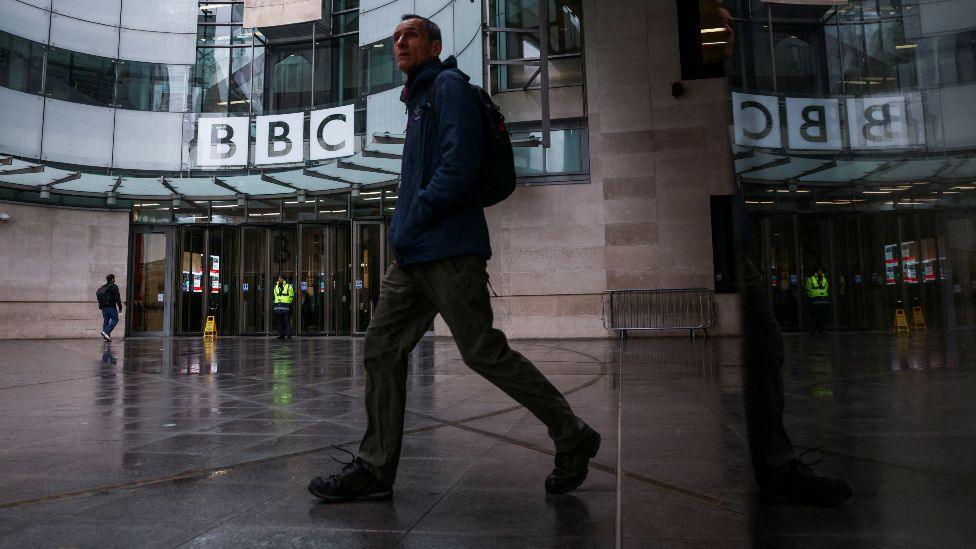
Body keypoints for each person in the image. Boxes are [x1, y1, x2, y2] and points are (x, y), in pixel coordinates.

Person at [307, 14, 600, 503]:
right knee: (381, 348)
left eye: (411, 35)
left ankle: (572, 435)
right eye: (396, 37)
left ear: (434, 44)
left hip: (447, 249)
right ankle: (376, 468)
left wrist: (416, 215)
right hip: (414, 253)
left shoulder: (448, 88)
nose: (400, 42)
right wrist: (406, 233)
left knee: (482, 351)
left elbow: (458, 165)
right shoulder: (419, 99)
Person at [96, 274, 123, 342]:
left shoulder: (103, 287)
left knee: (106, 320)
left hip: (103, 307)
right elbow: (117, 298)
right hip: (111, 307)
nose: (114, 280)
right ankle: (106, 332)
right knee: (115, 319)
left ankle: (106, 337)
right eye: (114, 278)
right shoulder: (114, 287)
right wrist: (120, 307)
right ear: (112, 279)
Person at [805, 267, 830, 335]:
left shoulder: (825, 279)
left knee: (822, 317)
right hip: (815, 300)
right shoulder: (811, 279)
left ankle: (820, 330)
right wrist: (812, 297)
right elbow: (808, 289)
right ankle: (814, 330)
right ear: (816, 272)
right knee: (815, 317)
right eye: (819, 271)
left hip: (823, 300)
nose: (820, 272)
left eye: (821, 271)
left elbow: (826, 289)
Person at [272, 274, 295, 339]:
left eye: (281, 278)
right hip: (277, 306)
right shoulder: (275, 287)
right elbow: (275, 296)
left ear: (283, 279)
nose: (280, 279)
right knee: (279, 321)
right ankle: (281, 335)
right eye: (279, 278)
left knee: (286, 321)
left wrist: (288, 302)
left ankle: (288, 335)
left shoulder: (288, 286)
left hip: (285, 306)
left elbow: (291, 295)